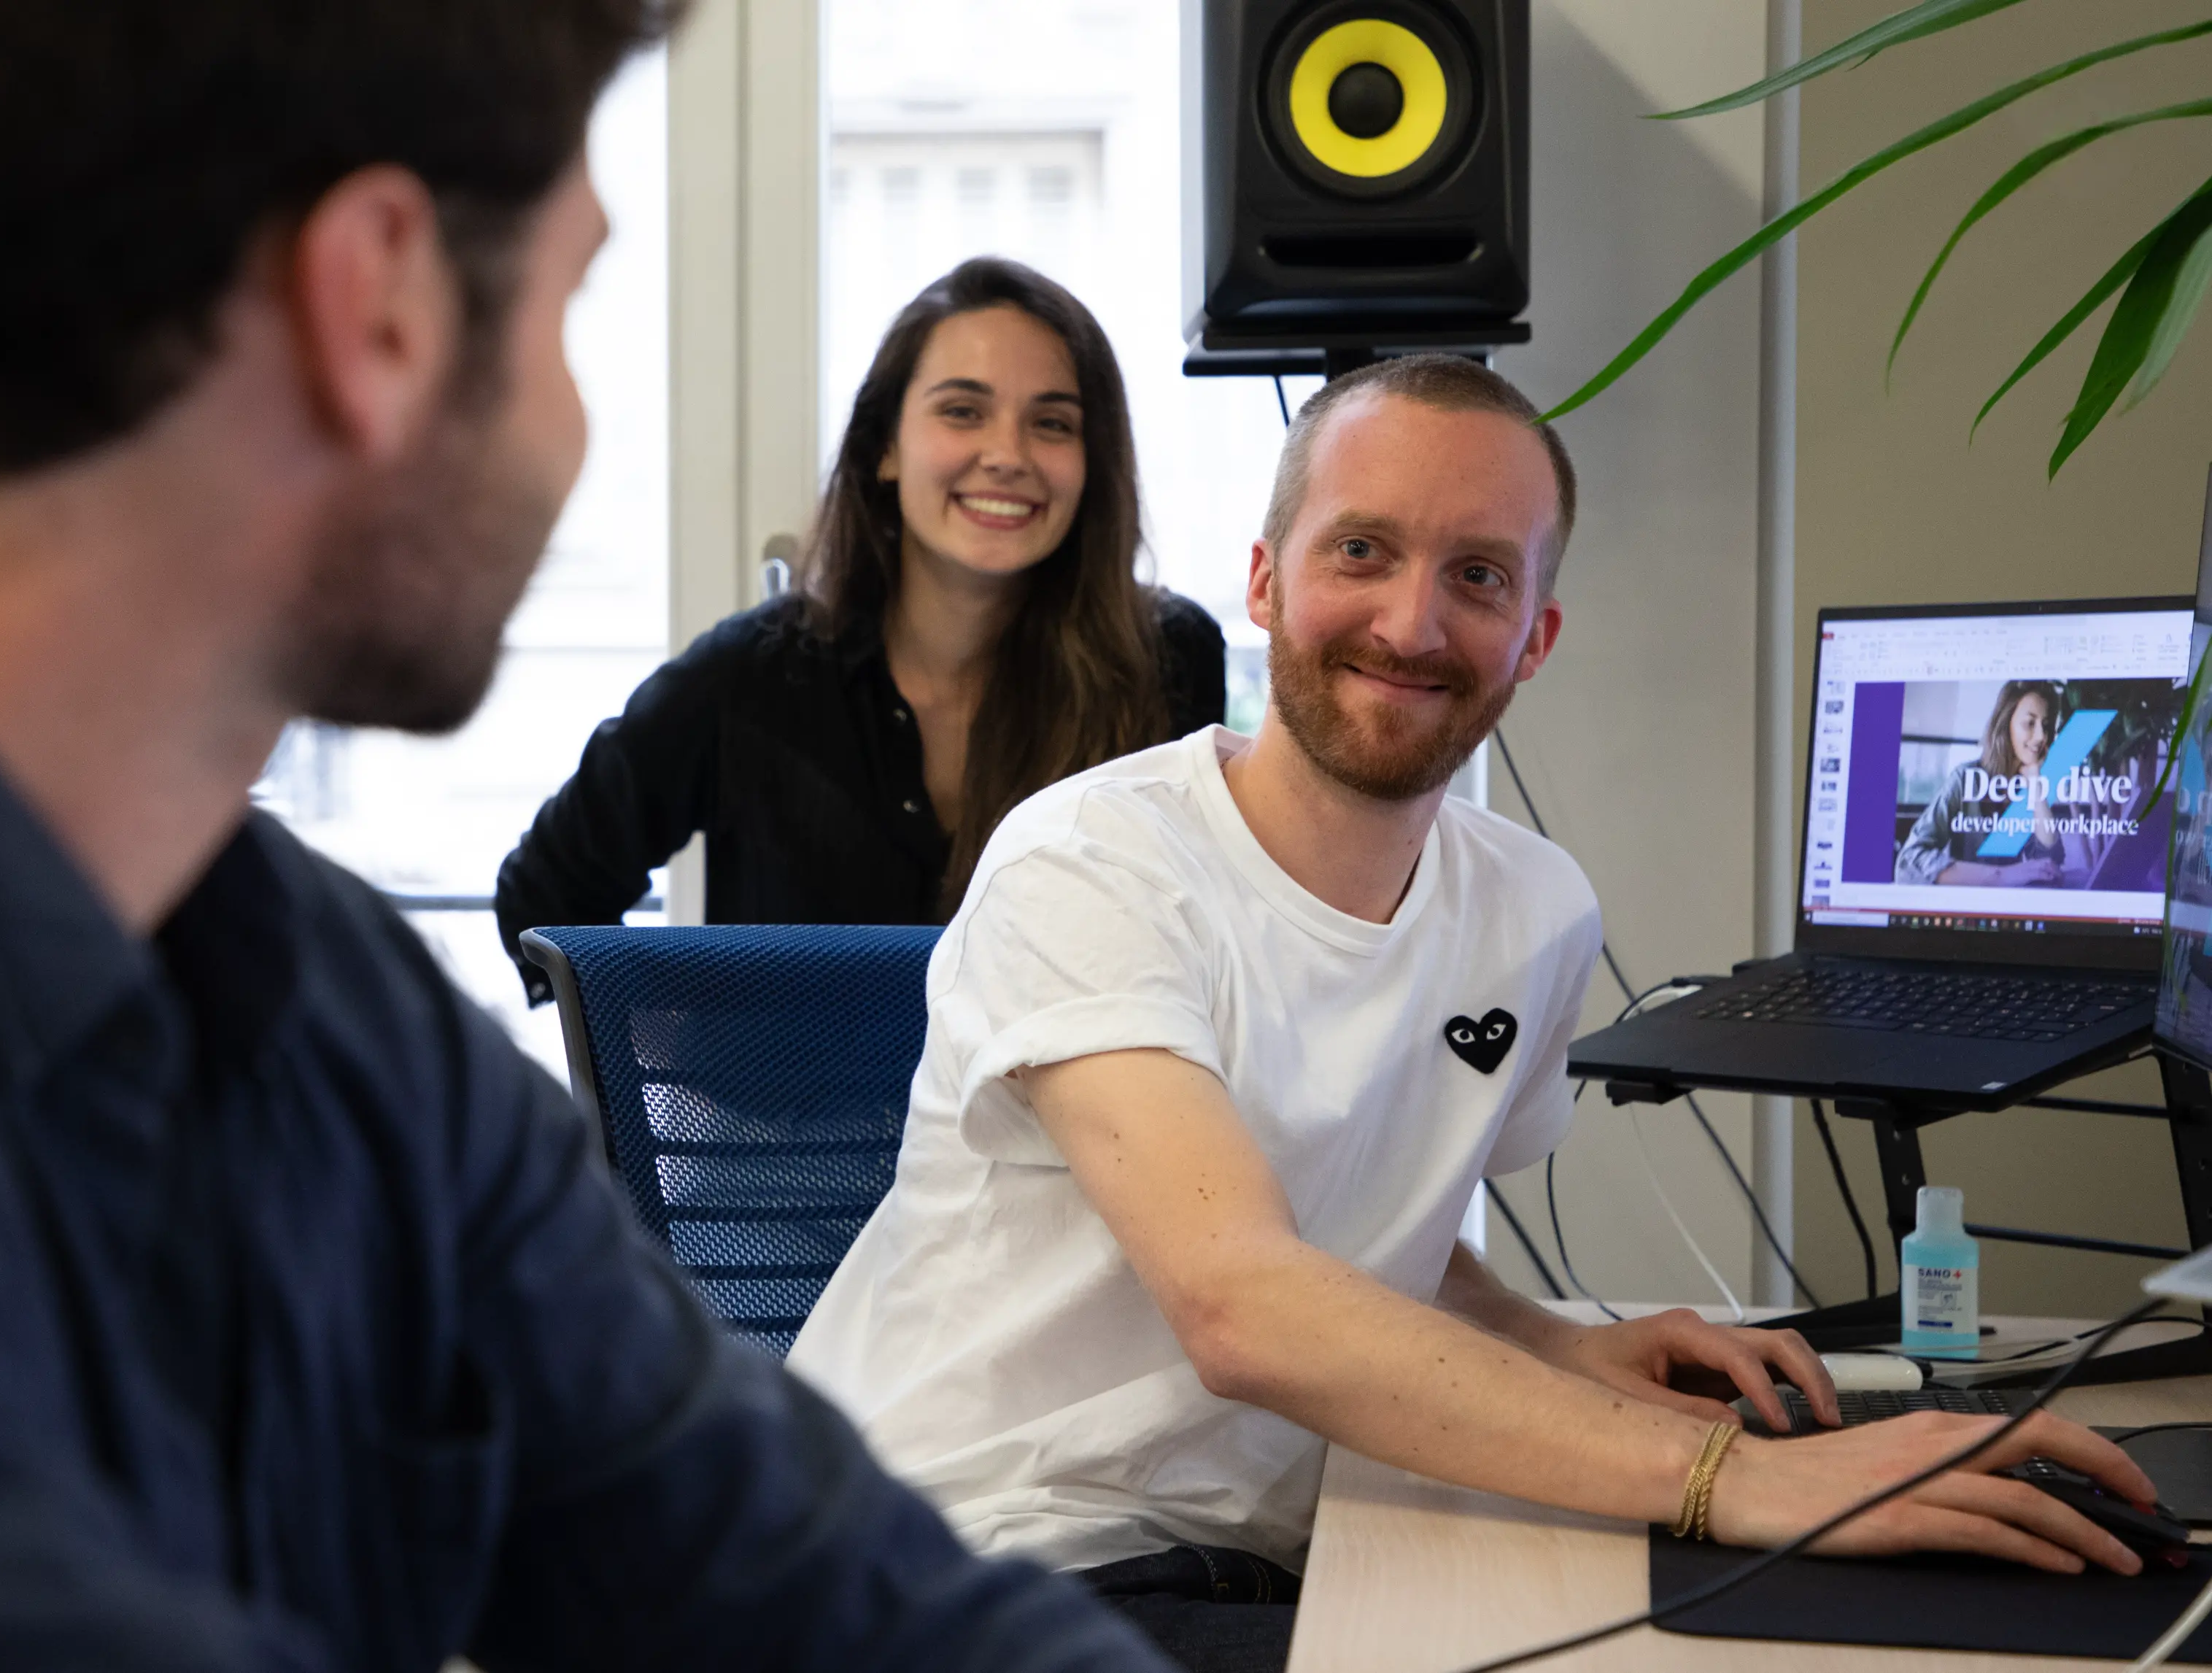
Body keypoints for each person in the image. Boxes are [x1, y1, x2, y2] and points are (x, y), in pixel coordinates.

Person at [0, 4, 1175, 1669]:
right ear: (378, 304)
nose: (568, 419)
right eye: (571, 301)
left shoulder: (325, 1003)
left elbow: (802, 1576)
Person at [788, 356, 2159, 1673]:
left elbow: (1378, 1226)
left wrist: (1559, 1343)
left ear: (1536, 634)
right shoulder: (1093, 862)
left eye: (1479, 575)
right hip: (963, 1564)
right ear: (1266, 580)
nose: (1412, 623)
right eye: (1361, 551)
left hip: (1279, 1548)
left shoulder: (1532, 907)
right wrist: (1732, 1478)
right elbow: (1244, 1299)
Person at [492, 257, 1223, 959]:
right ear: (884, 448)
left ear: (1092, 462)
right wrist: (665, 1060)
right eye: (962, 411)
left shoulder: (1168, 660)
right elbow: (545, 897)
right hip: (783, 1094)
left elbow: (1205, 946)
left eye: (1053, 423)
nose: (1007, 453)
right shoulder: (744, 678)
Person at [1897, 679, 2093, 887]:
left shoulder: (2026, 786)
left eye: (2046, 726)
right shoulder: (1965, 778)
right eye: (2030, 723)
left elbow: (2050, 862)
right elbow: (1908, 862)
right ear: (2005, 724)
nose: (2041, 736)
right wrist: (2003, 875)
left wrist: (2035, 783)